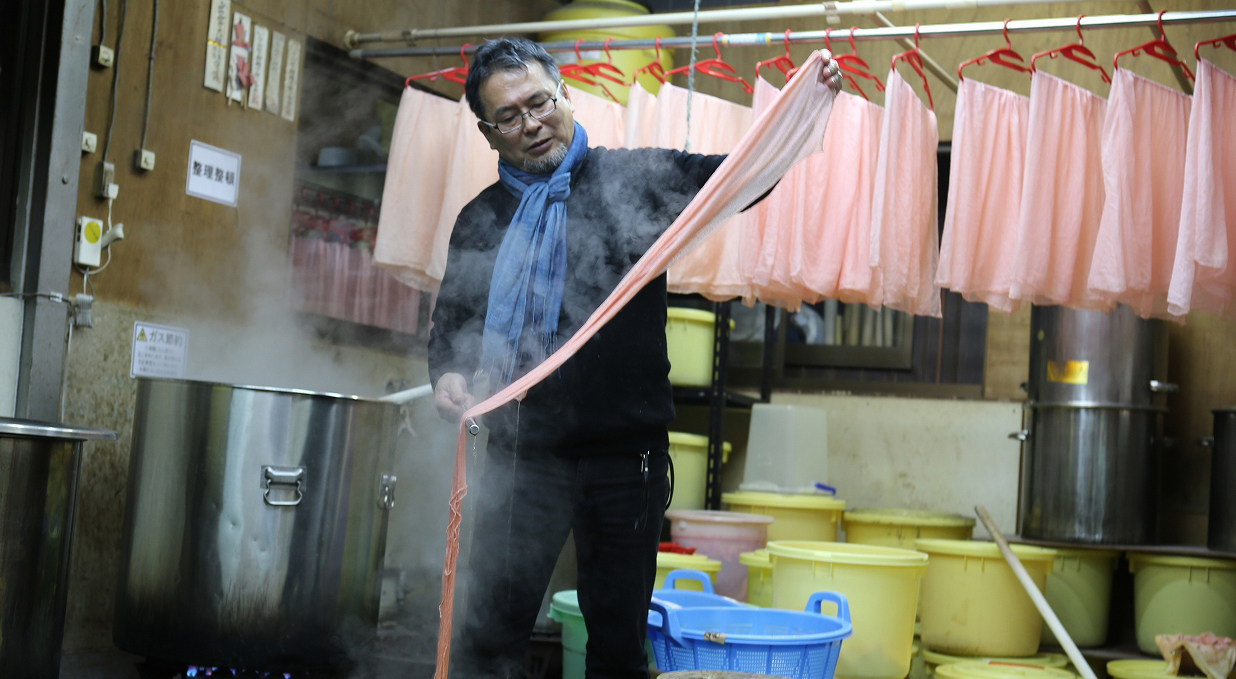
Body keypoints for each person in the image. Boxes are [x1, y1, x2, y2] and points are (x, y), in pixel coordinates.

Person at [428, 37, 840, 679]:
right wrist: (448, 376)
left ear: (564, 93)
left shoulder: (634, 180)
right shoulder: (481, 219)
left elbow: (742, 176)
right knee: (488, 639)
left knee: (617, 647)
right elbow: (451, 325)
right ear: (487, 133)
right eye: (508, 116)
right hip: (519, 457)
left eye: (539, 102)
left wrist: (805, 107)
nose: (531, 123)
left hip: (626, 459)